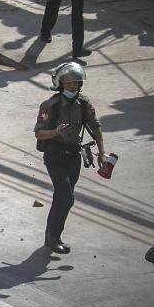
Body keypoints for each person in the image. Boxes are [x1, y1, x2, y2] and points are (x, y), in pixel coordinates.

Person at [33, 61, 105, 254]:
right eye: (69, 82)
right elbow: (39, 133)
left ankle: (52, 236)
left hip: (74, 155)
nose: (73, 86)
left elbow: (95, 128)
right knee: (65, 195)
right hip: (54, 154)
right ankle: (53, 238)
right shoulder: (50, 105)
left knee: (64, 197)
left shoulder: (84, 103)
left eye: (76, 82)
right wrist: (56, 132)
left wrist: (102, 153)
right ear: (61, 83)